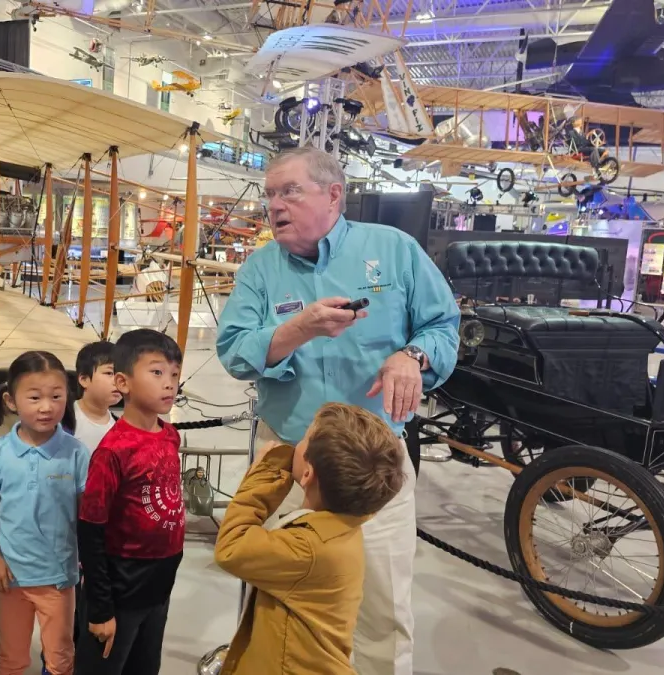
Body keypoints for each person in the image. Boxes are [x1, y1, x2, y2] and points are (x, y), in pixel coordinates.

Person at [216, 146, 459, 675]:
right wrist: (296, 329)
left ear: (333, 194)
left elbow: (443, 327)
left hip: (375, 465)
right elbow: (233, 351)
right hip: (288, 460)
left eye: (289, 191)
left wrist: (411, 356)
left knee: (383, 606)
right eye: (270, 193)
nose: (274, 204)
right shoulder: (260, 269)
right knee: (278, 601)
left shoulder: (394, 251)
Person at [214, 403, 406, 675]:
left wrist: (267, 470)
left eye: (304, 437)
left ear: (308, 474)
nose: (297, 443)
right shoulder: (345, 524)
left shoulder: (308, 548)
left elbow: (232, 547)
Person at [0, 351, 90, 675]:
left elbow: (86, 515)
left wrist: (90, 561)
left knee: (61, 657)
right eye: (35, 397)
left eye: (56, 396)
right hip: (11, 577)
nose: (46, 406)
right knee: (11, 659)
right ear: (11, 400)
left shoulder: (76, 454)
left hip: (59, 578)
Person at [75, 329, 185, 675]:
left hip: (158, 586)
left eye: (174, 374)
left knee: (145, 665)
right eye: (156, 372)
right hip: (121, 587)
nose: (169, 383)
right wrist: (101, 609)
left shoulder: (169, 435)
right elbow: (90, 529)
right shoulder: (113, 451)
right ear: (123, 382)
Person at [71, 340, 120, 452]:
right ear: (84, 380)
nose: (118, 381)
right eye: (109, 373)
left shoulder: (120, 427)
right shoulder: (64, 420)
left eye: (121, 374)